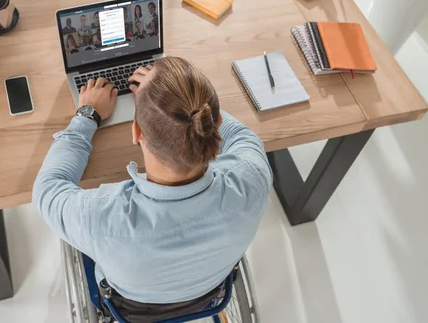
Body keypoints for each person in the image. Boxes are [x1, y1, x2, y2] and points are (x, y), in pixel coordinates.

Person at [33, 57, 271, 315]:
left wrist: (88, 114)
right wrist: (176, 96)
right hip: (210, 292)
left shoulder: (100, 218)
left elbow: (48, 186)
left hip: (131, 308)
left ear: (136, 133)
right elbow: (240, 136)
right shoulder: (252, 179)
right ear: (216, 125)